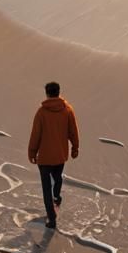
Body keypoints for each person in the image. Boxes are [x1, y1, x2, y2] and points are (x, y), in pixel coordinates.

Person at [27, 81, 79, 228]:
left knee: (45, 188)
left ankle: (52, 218)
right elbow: (73, 131)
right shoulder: (67, 110)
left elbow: (36, 134)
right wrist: (75, 148)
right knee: (57, 178)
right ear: (58, 92)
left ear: (47, 93)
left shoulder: (41, 112)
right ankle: (57, 197)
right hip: (60, 155)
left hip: (44, 157)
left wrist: (32, 152)